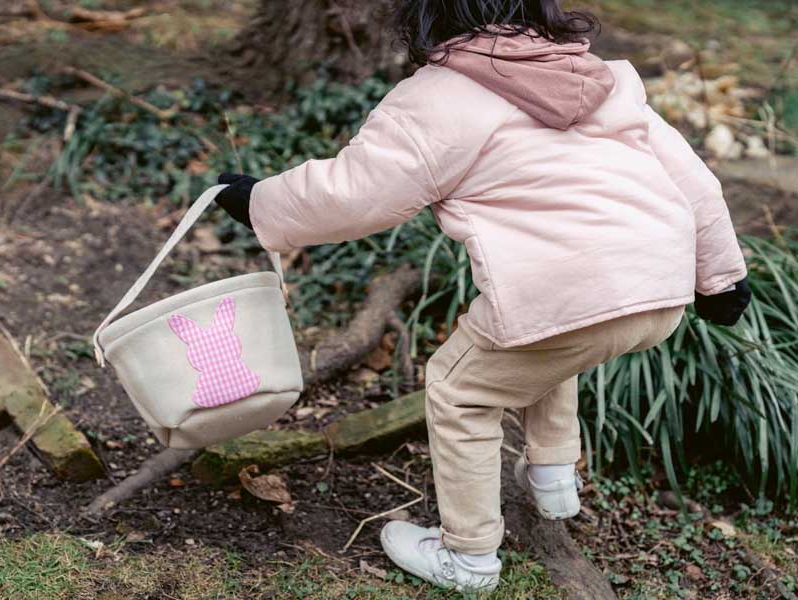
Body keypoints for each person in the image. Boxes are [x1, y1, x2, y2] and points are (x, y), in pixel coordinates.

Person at [214, 0, 751, 592]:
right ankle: (553, 476)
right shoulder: (601, 77)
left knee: (459, 389)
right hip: (659, 288)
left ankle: (468, 557)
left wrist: (259, 201)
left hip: (567, 292)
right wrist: (722, 278)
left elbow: (355, 191)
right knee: (546, 344)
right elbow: (695, 180)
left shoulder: (440, 95)